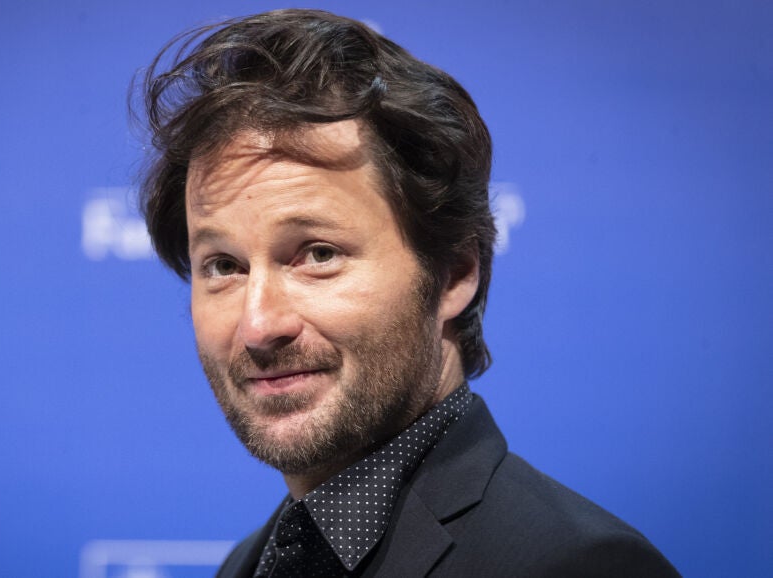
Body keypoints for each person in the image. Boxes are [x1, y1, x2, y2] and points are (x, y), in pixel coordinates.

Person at [136, 8, 679, 577]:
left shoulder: (576, 565)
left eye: (318, 254)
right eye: (224, 266)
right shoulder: (249, 565)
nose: (258, 325)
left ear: (453, 274)